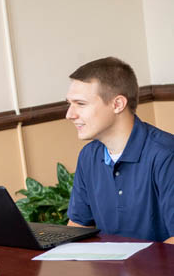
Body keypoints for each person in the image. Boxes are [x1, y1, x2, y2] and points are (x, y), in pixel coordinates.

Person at [65, 57, 174, 244]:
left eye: (80, 104)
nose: (69, 115)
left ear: (117, 104)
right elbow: (79, 225)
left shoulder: (166, 154)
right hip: (108, 271)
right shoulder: (88, 156)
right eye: (69, 103)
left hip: (158, 273)